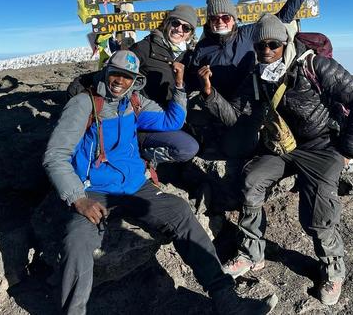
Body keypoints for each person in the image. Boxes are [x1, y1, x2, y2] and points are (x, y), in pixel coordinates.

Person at [43, 50, 278, 315]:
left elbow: (171, 120)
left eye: (127, 77)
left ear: (135, 80)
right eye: (115, 74)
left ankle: (226, 299)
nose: (120, 81)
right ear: (105, 72)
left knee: (179, 212)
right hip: (93, 192)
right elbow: (55, 156)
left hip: (134, 187)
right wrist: (78, 198)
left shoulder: (133, 102)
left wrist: (179, 86)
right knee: (77, 242)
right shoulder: (84, 105)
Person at [197, 14, 353, 306]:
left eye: (273, 44)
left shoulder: (314, 66)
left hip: (321, 146)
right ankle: (252, 253)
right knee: (252, 181)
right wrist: (209, 94)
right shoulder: (256, 75)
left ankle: (333, 268)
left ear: (285, 44)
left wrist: (347, 151)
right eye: (260, 45)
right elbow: (237, 117)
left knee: (316, 214)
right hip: (283, 146)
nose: (266, 50)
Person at [186, 0, 328, 158]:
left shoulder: (248, 33)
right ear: (209, 22)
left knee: (243, 148)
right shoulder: (202, 48)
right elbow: (193, 79)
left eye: (226, 17)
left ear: (234, 19)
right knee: (230, 149)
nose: (220, 21)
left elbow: (282, 17)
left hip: (253, 100)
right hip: (220, 106)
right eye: (215, 18)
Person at [67, 5, 200, 167]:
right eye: (175, 23)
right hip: (141, 116)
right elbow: (113, 71)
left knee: (194, 140)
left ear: (190, 34)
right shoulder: (144, 48)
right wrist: (79, 90)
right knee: (185, 146)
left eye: (186, 28)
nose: (179, 29)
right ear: (167, 23)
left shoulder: (187, 56)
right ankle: (135, 149)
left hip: (165, 115)